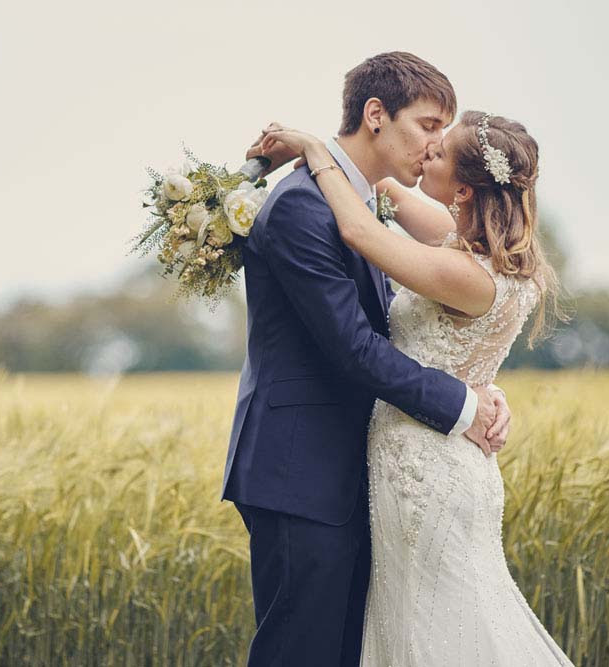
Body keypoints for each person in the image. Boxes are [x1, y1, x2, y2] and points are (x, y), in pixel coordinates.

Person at [219, 52, 512, 666]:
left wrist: (479, 384)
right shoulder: (302, 205)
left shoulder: (359, 200)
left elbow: (399, 330)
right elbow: (354, 348)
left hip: (350, 472)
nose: (436, 145)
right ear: (376, 114)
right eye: (428, 125)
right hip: (300, 472)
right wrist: (462, 406)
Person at [256, 106, 572, 665]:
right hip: (437, 452)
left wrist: (312, 148)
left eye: (441, 150)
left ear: (465, 190)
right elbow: (378, 184)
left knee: (432, 628)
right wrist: (344, 147)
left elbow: (358, 229)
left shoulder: (464, 272)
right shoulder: (474, 249)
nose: (428, 151)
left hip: (428, 471)